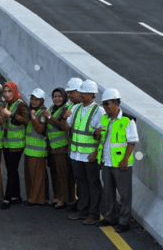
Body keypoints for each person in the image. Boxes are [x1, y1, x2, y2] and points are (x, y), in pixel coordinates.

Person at [94, 88, 137, 233]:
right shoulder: (104, 119)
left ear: (116, 103)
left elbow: (132, 142)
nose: (105, 107)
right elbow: (101, 139)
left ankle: (124, 222)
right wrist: (96, 133)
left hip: (121, 164)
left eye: (107, 104)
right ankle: (110, 217)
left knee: (124, 195)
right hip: (106, 162)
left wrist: (125, 160)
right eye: (104, 104)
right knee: (108, 192)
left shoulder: (127, 120)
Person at [67, 79, 104, 225]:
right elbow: (67, 126)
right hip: (76, 153)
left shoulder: (98, 111)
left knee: (93, 184)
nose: (80, 95)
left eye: (83, 93)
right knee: (81, 183)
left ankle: (93, 214)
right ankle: (82, 210)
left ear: (91, 94)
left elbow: (101, 136)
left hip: (89, 155)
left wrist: (96, 153)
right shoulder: (76, 108)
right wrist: (65, 117)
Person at [0, 81, 28, 210]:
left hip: (17, 143)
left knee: (11, 170)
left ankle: (7, 198)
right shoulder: (4, 104)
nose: (7, 94)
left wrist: (10, 114)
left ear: (14, 91)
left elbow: (26, 120)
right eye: (5, 91)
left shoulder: (20, 104)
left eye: (9, 91)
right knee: (12, 170)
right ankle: (16, 195)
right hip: (6, 143)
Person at [45, 87, 72, 209]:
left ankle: (63, 199)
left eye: (59, 96)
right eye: (55, 96)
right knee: (54, 173)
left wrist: (50, 118)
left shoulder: (66, 109)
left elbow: (62, 126)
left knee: (62, 174)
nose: (57, 99)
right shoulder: (51, 108)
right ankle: (57, 196)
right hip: (51, 147)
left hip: (61, 147)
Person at [22, 89, 48, 207]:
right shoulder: (32, 111)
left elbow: (40, 129)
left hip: (38, 150)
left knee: (37, 177)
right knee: (30, 176)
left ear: (41, 101)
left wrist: (33, 118)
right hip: (30, 149)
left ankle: (36, 200)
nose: (33, 101)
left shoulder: (42, 113)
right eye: (32, 99)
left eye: (37, 99)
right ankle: (31, 198)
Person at [63, 77, 82, 210]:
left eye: (71, 92)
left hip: (84, 150)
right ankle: (76, 200)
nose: (69, 95)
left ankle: (82, 203)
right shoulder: (71, 106)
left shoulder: (84, 108)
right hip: (74, 147)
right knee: (75, 177)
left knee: (82, 180)